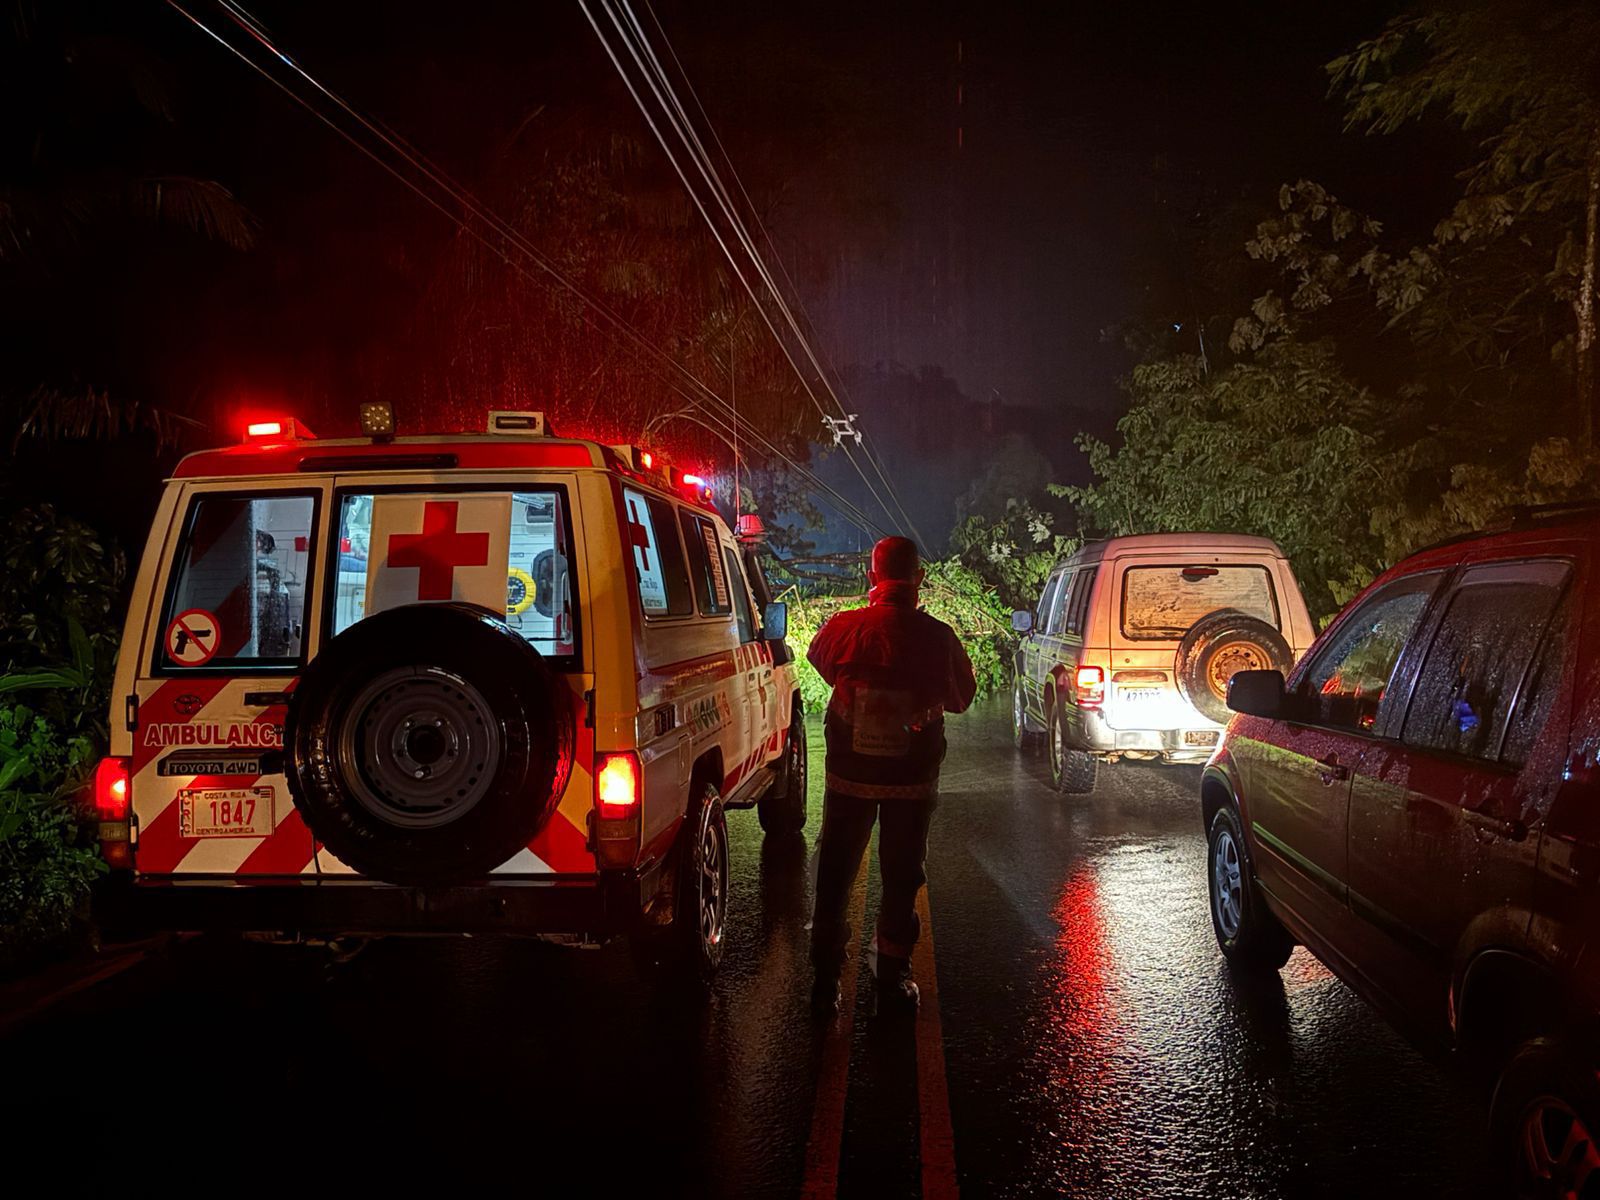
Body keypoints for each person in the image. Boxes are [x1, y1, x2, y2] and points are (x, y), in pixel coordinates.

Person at [806, 535, 976, 1014]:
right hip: (912, 785)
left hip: (847, 782)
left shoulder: (842, 629)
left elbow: (820, 662)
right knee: (901, 876)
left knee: (836, 875)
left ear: (871, 577)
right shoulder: (939, 639)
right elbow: (962, 697)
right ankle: (892, 978)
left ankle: (824, 982)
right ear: (919, 579)